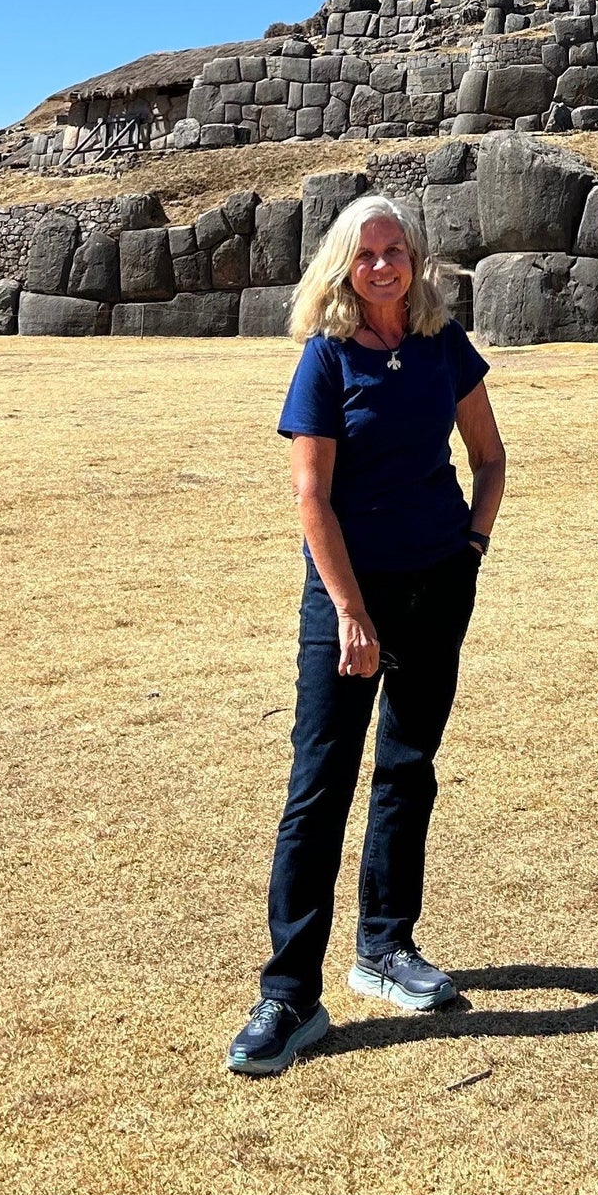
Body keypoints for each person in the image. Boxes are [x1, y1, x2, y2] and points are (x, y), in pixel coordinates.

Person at [227, 196, 507, 1078]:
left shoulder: (440, 346)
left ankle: (384, 947)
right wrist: (349, 611)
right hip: (349, 598)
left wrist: (472, 546)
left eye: (395, 251)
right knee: (319, 786)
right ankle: (289, 996)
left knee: (408, 765)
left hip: (438, 584)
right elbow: (312, 497)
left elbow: (490, 457)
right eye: (365, 253)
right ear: (343, 265)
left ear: (415, 260)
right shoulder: (325, 358)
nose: (382, 266)